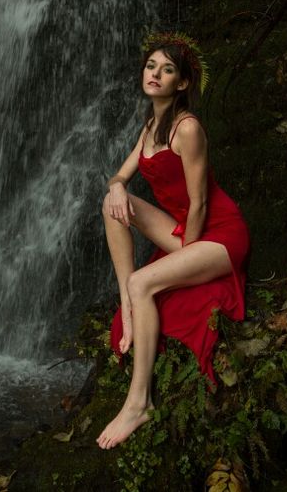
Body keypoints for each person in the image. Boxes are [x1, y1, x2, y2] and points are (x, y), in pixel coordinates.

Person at [96, 31, 250, 450]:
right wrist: (114, 186)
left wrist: (186, 256)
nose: (155, 74)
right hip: (183, 231)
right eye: (151, 66)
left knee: (145, 281)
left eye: (167, 70)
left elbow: (199, 205)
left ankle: (138, 402)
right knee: (113, 205)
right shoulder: (150, 126)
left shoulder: (187, 129)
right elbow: (120, 177)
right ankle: (127, 301)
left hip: (218, 235)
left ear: (181, 83)